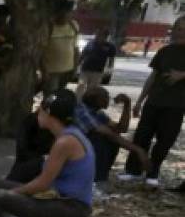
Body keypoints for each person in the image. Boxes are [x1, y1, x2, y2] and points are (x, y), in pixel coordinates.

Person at [118, 15, 185, 189]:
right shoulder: (164, 51)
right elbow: (152, 77)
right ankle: (133, 170)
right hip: (154, 101)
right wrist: (140, 100)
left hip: (176, 106)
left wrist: (182, 75)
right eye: (178, 29)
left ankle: (153, 173)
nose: (180, 33)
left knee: (165, 140)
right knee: (142, 136)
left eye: (184, 30)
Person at [76, 87, 149, 186]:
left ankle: (99, 176)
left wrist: (127, 104)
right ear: (95, 100)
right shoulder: (83, 111)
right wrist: (138, 150)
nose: (108, 99)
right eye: (105, 97)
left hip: (82, 145)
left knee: (111, 140)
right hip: (75, 147)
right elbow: (110, 134)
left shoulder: (98, 113)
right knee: (103, 140)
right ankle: (95, 180)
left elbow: (121, 128)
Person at [40, 0, 80, 95]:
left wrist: (75, 68)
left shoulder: (74, 26)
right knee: (51, 96)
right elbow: (40, 52)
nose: (68, 14)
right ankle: (47, 109)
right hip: (51, 72)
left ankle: (55, 109)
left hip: (67, 70)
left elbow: (76, 48)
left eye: (70, 12)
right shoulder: (48, 27)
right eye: (65, 11)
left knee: (59, 95)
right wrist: (44, 70)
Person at [76, 29, 117, 98]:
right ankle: (77, 101)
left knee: (92, 89)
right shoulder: (90, 43)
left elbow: (111, 58)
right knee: (81, 85)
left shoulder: (110, 46)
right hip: (85, 69)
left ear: (105, 37)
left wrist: (109, 68)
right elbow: (83, 54)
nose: (97, 37)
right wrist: (77, 64)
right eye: (97, 35)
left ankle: (87, 102)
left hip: (97, 71)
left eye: (99, 35)